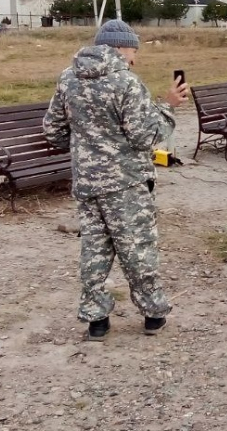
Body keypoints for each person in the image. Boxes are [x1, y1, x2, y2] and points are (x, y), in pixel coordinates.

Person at [43, 20, 188, 341]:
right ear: (122, 48)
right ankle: (152, 314)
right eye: (133, 51)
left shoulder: (68, 78)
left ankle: (97, 321)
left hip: (87, 184)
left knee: (94, 249)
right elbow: (146, 136)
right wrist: (167, 107)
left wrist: (88, 143)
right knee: (136, 250)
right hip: (127, 184)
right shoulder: (126, 83)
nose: (134, 59)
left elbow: (53, 131)